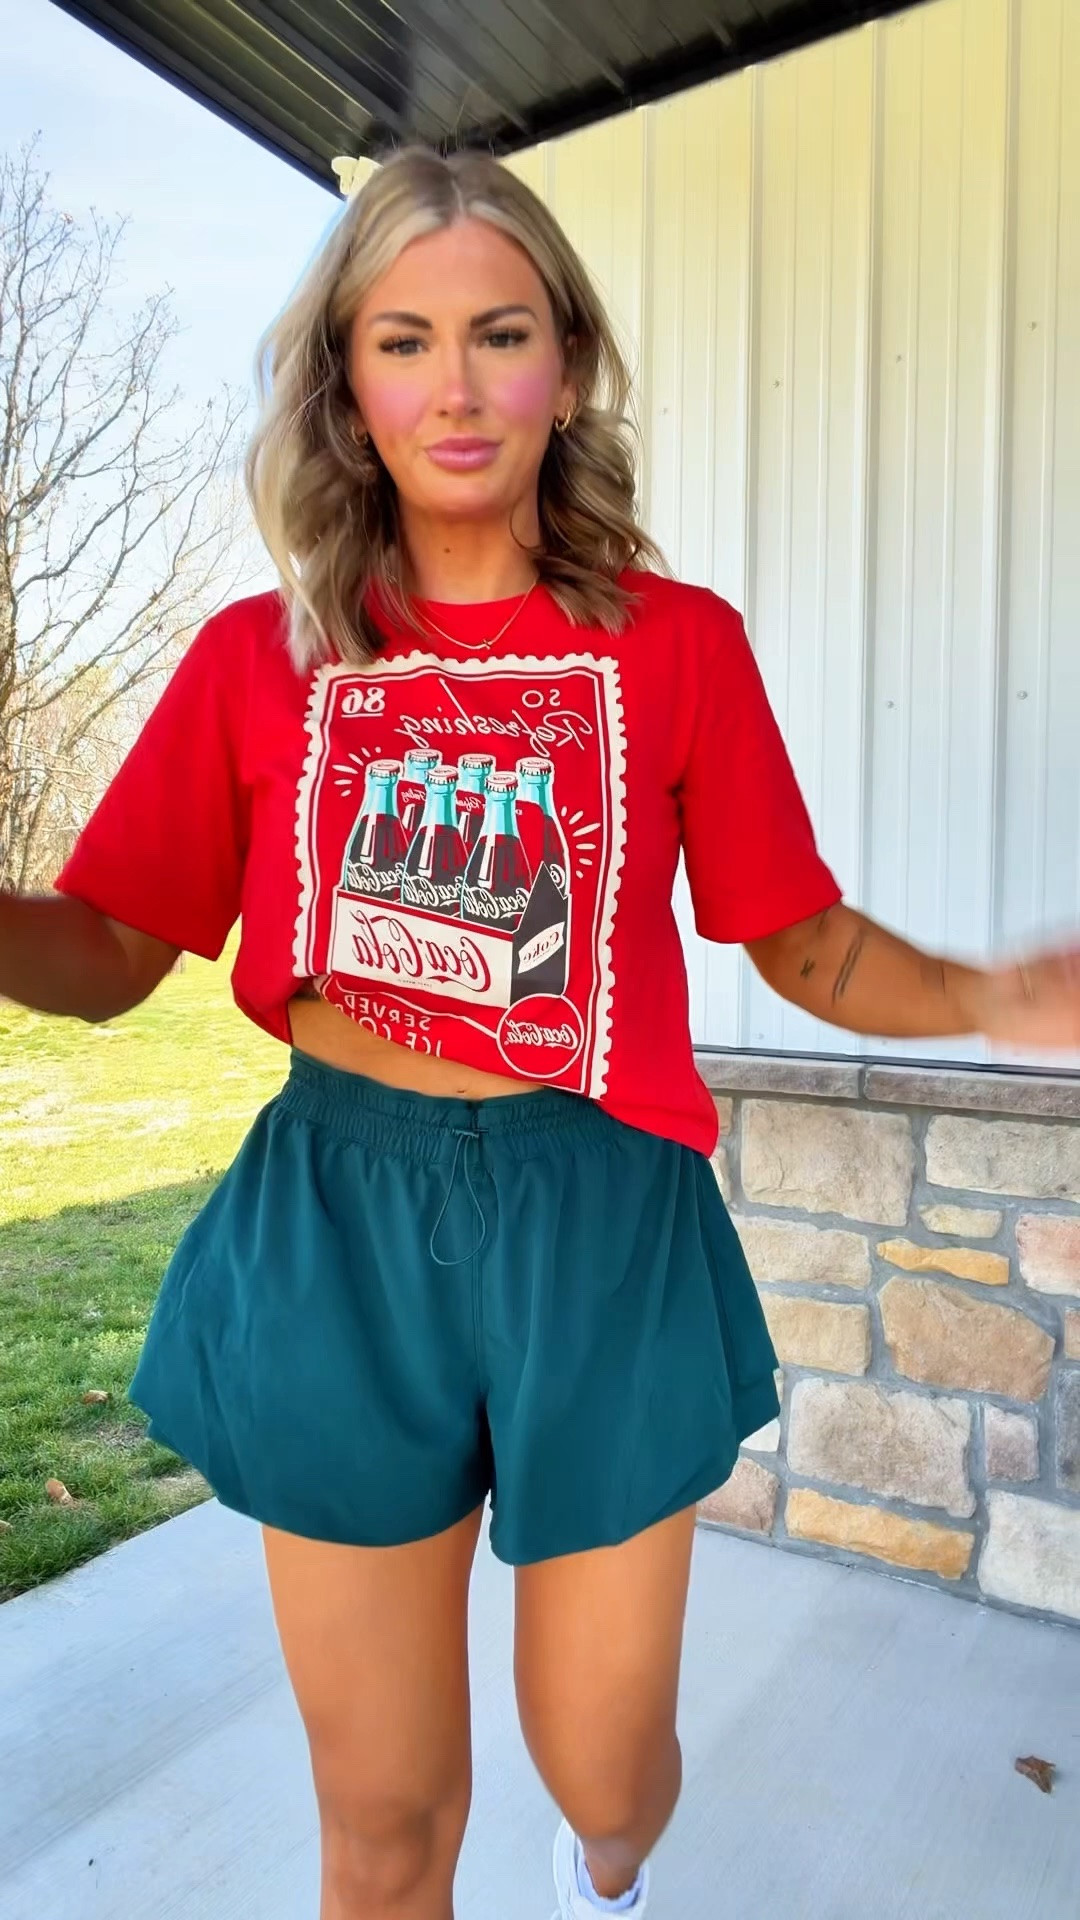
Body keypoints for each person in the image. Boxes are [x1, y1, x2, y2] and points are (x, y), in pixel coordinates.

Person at [2, 146, 1078, 1920]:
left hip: (599, 1217)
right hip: (341, 1222)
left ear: (564, 367)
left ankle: (612, 1862)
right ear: (348, 385)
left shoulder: (679, 647)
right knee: (384, 1819)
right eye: (403, 340)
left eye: (500, 334)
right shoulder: (258, 659)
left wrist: (984, 995)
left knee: (608, 1773)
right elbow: (115, 948)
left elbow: (799, 939)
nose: (456, 386)